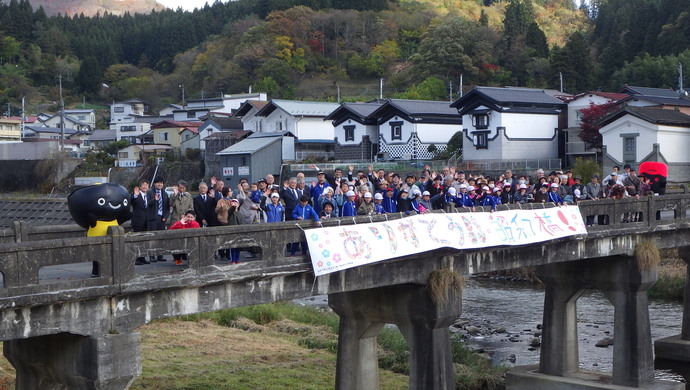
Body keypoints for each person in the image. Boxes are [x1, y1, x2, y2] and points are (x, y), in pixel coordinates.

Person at [146, 177, 170, 262]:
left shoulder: (165, 193)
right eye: (158, 183)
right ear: (154, 184)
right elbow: (147, 204)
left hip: (161, 219)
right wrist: (154, 200)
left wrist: (166, 217)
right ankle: (152, 256)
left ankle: (160, 255)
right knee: (152, 238)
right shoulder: (149, 192)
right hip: (152, 218)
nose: (159, 184)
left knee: (161, 238)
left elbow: (167, 207)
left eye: (161, 183)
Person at [131, 180, 150, 265]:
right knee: (137, 240)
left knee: (144, 240)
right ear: (139, 187)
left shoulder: (149, 195)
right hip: (138, 222)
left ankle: (143, 258)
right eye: (143, 185)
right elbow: (131, 201)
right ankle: (137, 259)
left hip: (146, 221)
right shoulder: (136, 195)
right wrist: (135, 195)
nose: (145, 187)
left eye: (146, 185)